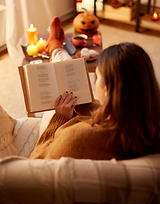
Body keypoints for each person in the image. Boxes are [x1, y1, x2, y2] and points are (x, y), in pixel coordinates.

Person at [29, 17, 160, 160]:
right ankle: (56, 48)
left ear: (107, 89)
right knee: (71, 76)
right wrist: (85, 102)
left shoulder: (76, 139)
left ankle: (54, 47)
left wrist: (60, 118)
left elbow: (36, 160)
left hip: (58, 132)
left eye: (97, 77)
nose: (95, 82)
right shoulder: (149, 123)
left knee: (59, 94)